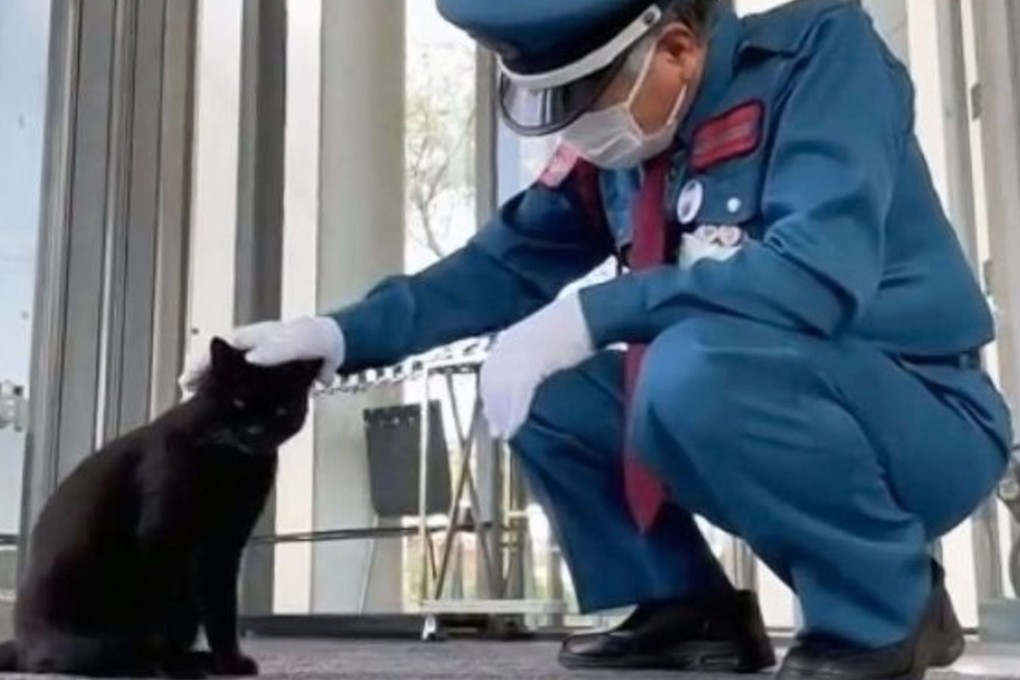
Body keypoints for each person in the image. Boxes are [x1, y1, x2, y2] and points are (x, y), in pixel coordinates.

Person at [180, 0, 1014, 677]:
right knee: (538, 387)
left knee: (686, 365)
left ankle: (886, 608)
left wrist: (596, 313)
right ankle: (686, 609)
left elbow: (814, 275)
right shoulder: (626, 139)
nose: (566, 127)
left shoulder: (823, 61)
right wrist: (333, 335)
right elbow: (495, 270)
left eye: (580, 97)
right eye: (545, 101)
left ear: (679, 49)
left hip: (919, 413)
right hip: (742, 391)